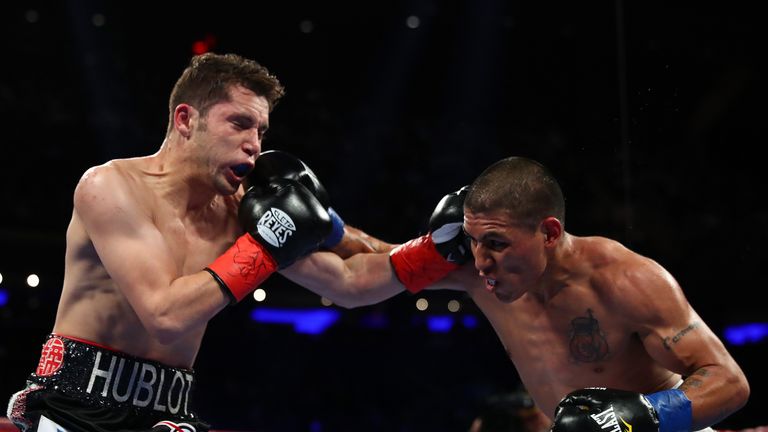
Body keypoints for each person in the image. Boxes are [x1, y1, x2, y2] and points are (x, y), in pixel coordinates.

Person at [6, 52, 389, 432]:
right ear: (186, 120)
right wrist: (266, 247)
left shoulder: (238, 213)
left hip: (168, 415)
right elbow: (164, 315)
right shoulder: (110, 187)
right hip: (76, 410)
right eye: (240, 124)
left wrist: (434, 252)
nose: (254, 144)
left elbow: (350, 281)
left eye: (260, 131)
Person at [282, 156, 750, 432]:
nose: (480, 260)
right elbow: (375, 262)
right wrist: (319, 222)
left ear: (549, 231)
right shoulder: (478, 268)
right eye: (474, 241)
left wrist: (639, 418)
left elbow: (729, 381)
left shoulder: (625, 280)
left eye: (498, 244)